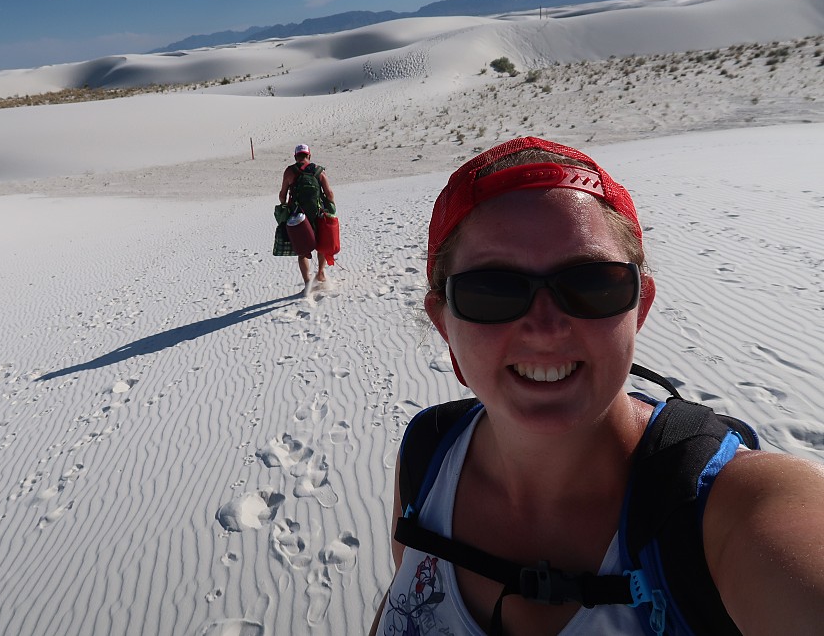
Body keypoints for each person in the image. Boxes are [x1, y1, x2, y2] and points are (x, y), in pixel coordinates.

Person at [370, 136, 824, 635]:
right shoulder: (427, 452)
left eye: (591, 284)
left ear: (640, 305)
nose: (545, 329)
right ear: (443, 321)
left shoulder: (729, 508)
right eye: (492, 291)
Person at [279, 143, 336, 286]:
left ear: (295, 156)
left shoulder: (289, 171)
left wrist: (286, 206)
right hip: (317, 213)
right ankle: (321, 272)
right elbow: (329, 194)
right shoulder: (318, 171)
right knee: (321, 244)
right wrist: (330, 208)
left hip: (298, 216)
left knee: (302, 249)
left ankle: (307, 282)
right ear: (309, 155)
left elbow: (282, 195)